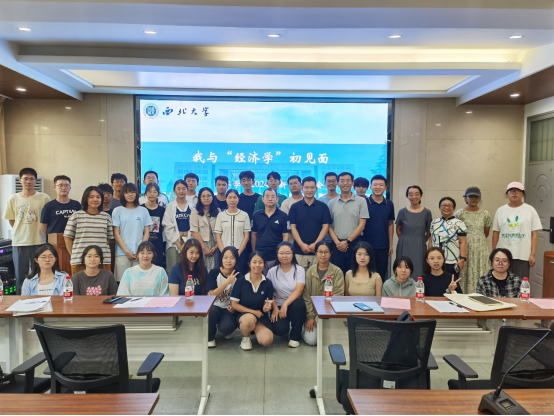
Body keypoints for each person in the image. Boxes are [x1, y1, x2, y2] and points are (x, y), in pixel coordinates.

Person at [3, 168, 51, 294]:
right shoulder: (13, 198)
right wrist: (22, 230)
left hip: (39, 241)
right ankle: (21, 300)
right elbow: (12, 220)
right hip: (20, 241)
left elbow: (48, 219)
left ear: (35, 181)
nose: (28, 181)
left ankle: (40, 298)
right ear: (20, 180)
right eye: (25, 179)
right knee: (20, 275)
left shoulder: (44, 197)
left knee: (41, 273)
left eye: (31, 179)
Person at [492, 182, 542, 280]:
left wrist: (532, 255)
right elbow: (496, 233)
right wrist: (494, 253)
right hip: (503, 255)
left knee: (521, 283)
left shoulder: (530, 210)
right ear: (507, 194)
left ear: (522, 194)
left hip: (522, 254)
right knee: (502, 282)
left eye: (518, 191)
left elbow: (534, 234)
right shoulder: (500, 210)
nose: (514, 193)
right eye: (511, 191)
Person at [302, 241, 344, 346]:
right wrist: (310, 316)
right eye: (320, 252)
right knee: (312, 341)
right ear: (316, 253)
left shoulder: (337, 271)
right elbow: (306, 295)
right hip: (313, 312)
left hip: (330, 312)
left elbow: (338, 294)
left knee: (333, 340)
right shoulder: (310, 271)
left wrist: (326, 311)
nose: (323, 255)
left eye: (326, 252)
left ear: (331, 254)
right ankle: (303, 327)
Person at [64, 186, 114, 275]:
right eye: (91, 197)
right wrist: (74, 254)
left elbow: (109, 239)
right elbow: (67, 237)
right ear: (86, 199)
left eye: (98, 197)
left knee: (103, 283)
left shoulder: (106, 217)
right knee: (80, 284)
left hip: (103, 260)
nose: (95, 199)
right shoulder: (75, 216)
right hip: (80, 261)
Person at [230, 251, 274, 351]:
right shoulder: (241, 280)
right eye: (254, 262)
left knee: (267, 340)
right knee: (249, 319)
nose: (257, 265)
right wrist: (254, 312)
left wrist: (266, 308)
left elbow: (267, 306)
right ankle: (245, 337)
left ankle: (254, 329)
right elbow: (234, 304)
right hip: (244, 316)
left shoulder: (268, 283)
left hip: (260, 317)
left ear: (264, 264)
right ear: (249, 264)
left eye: (260, 262)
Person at [328, 172, 369, 274]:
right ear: (338, 183)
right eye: (342, 180)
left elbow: (362, 225)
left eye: (348, 180)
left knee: (354, 274)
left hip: (355, 244)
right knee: (337, 274)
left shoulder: (361, 201)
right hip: (337, 245)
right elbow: (328, 226)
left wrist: (347, 241)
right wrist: (337, 243)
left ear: (352, 183)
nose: (345, 183)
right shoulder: (331, 203)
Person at [267, 242, 306, 348]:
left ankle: (295, 336)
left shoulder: (299, 269)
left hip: (293, 303)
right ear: (277, 254)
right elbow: (269, 292)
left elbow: (299, 290)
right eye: (281, 253)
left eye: (288, 253)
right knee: (280, 330)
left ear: (293, 254)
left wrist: (285, 304)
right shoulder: (272, 271)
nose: (284, 256)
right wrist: (275, 308)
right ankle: (286, 326)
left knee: (299, 305)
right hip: (277, 304)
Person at [455, 187, 493, 294]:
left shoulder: (485, 214)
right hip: (464, 249)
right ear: (465, 198)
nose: (473, 199)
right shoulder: (459, 214)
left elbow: (486, 233)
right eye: (471, 196)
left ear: (479, 198)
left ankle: (481, 295)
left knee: (480, 270)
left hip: (480, 249)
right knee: (465, 272)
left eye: (476, 196)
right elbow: (455, 231)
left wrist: (477, 240)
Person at [290, 176, 332, 271]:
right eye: (306, 187)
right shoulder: (294, 207)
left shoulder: (323, 207)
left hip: (318, 251)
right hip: (299, 250)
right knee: (300, 278)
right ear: (302, 188)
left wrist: (316, 244)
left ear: (316, 189)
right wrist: (301, 244)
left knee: (317, 277)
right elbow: (293, 227)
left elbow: (325, 227)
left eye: (312, 187)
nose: (309, 190)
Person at [112, 183, 152, 281]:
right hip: (122, 252)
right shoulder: (117, 211)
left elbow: (147, 232)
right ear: (123, 194)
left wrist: (141, 251)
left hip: (139, 253)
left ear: (137, 194)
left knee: (140, 281)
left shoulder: (143, 210)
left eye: (133, 192)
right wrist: (126, 251)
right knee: (123, 281)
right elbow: (116, 234)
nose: (130, 195)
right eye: (127, 192)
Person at [206, 246, 241, 348]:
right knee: (212, 311)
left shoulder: (239, 276)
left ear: (236, 260)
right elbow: (212, 294)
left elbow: (240, 297)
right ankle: (210, 338)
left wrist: (234, 307)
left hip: (228, 308)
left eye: (232, 258)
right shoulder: (214, 272)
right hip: (214, 305)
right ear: (221, 259)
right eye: (225, 257)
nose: (228, 261)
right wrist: (226, 283)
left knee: (226, 329)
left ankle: (224, 329)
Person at [395, 185, 433, 279]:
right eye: (410, 194)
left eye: (417, 194)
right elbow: (398, 230)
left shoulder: (427, 212)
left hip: (420, 244)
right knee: (403, 267)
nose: (414, 197)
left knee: (419, 268)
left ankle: (418, 287)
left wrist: (421, 240)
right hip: (404, 244)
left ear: (421, 196)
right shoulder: (402, 212)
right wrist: (405, 239)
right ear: (407, 196)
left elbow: (428, 232)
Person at [363, 175, 395, 280]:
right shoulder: (364, 203)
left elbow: (390, 224)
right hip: (366, 245)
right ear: (370, 187)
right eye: (375, 185)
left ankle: (380, 291)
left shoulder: (389, 204)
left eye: (381, 185)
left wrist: (390, 245)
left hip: (383, 246)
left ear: (385, 187)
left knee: (381, 274)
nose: (378, 187)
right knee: (366, 273)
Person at [430, 197, 468, 280]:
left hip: (452, 260)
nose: (446, 207)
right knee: (435, 282)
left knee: (451, 283)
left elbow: (463, 242)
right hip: (435, 260)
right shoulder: (434, 223)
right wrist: (429, 256)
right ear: (439, 207)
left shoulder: (459, 223)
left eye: (449, 205)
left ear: (454, 208)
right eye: (443, 205)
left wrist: (462, 259)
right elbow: (431, 240)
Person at [251, 188, 289, 271]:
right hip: (260, 255)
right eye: (267, 196)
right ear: (263, 199)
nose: (270, 199)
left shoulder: (283, 216)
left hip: (276, 255)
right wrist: (254, 252)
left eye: (273, 196)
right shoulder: (256, 215)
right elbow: (254, 235)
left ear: (277, 199)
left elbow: (285, 236)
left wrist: (282, 253)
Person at [215, 189, 251, 274]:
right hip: (224, 250)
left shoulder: (244, 215)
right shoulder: (221, 216)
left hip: (240, 251)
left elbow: (246, 236)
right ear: (226, 199)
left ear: (238, 199)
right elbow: (218, 236)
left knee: (240, 275)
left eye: (235, 197)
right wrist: (224, 253)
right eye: (230, 197)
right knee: (224, 275)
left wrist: (238, 253)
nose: (232, 200)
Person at [40, 175, 81, 241]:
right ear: (55, 187)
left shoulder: (77, 205)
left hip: (74, 241)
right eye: (60, 185)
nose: (64, 188)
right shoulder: (48, 206)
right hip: (54, 242)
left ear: (70, 187)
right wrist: (48, 241)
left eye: (66, 185)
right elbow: (43, 226)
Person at [163, 179, 191, 273]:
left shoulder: (192, 206)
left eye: (183, 188)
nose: (181, 191)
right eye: (178, 189)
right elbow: (168, 227)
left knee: (188, 269)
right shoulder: (170, 206)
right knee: (173, 269)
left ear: (187, 189)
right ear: (174, 190)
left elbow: (194, 226)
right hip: (174, 242)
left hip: (189, 241)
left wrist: (187, 244)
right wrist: (179, 245)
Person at [190, 187, 221, 272]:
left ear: (212, 197)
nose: (206, 198)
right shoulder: (194, 211)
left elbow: (221, 230)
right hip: (200, 244)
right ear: (199, 198)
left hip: (215, 245)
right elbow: (194, 231)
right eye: (203, 196)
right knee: (201, 269)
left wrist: (216, 246)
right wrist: (203, 248)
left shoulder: (218, 211)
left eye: (208, 196)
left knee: (214, 269)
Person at [237, 170, 260, 274]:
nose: (246, 182)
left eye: (248, 180)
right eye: (243, 180)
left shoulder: (259, 198)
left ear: (253, 182)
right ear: (240, 182)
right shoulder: (238, 198)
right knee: (242, 262)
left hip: (256, 233)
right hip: (241, 234)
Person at [141, 183, 166, 267]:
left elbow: (162, 227)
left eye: (155, 192)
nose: (152, 194)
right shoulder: (141, 209)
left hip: (158, 244)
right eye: (149, 191)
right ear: (145, 193)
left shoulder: (162, 210)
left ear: (158, 194)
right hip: (143, 243)